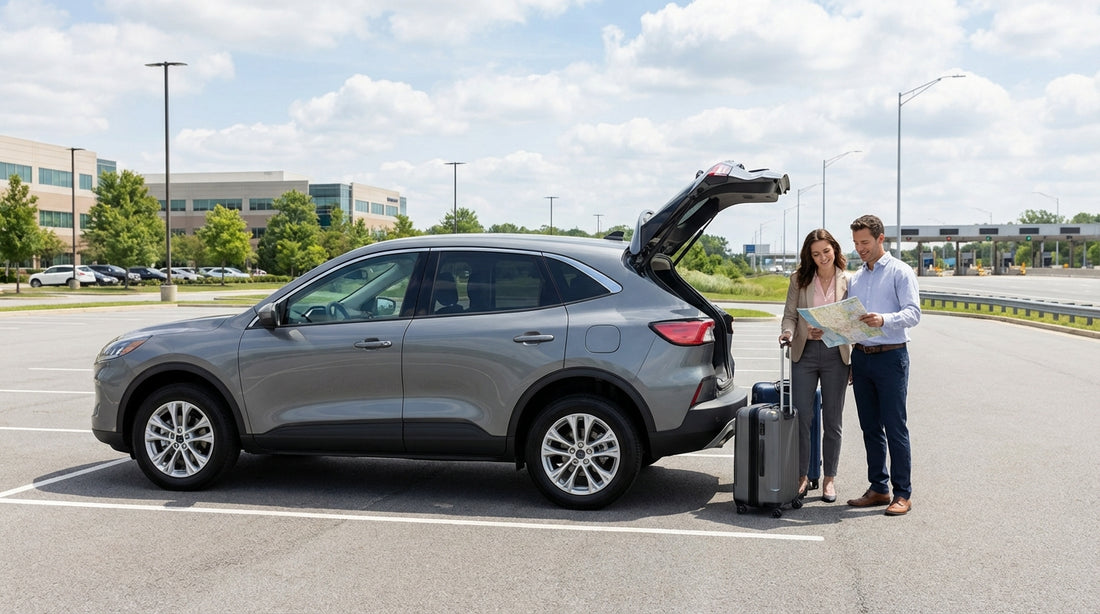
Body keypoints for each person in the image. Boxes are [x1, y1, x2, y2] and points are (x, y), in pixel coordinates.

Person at [846, 214, 921, 516]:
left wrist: (884, 319)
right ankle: (878, 487)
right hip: (861, 357)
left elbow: (914, 313)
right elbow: (852, 320)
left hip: (891, 357)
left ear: (880, 239)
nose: (860, 249)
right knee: (869, 427)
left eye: (864, 243)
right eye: (855, 244)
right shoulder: (856, 278)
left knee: (894, 426)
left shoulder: (900, 272)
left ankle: (903, 493)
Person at [779, 229, 851, 503]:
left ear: (835, 249)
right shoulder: (799, 279)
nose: (822, 257)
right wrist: (791, 332)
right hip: (805, 354)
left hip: (836, 355)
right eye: (816, 253)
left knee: (833, 422)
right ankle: (802, 476)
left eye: (826, 251)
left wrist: (835, 328)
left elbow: (851, 319)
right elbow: (789, 316)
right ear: (809, 256)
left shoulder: (848, 280)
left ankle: (829, 479)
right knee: (802, 418)